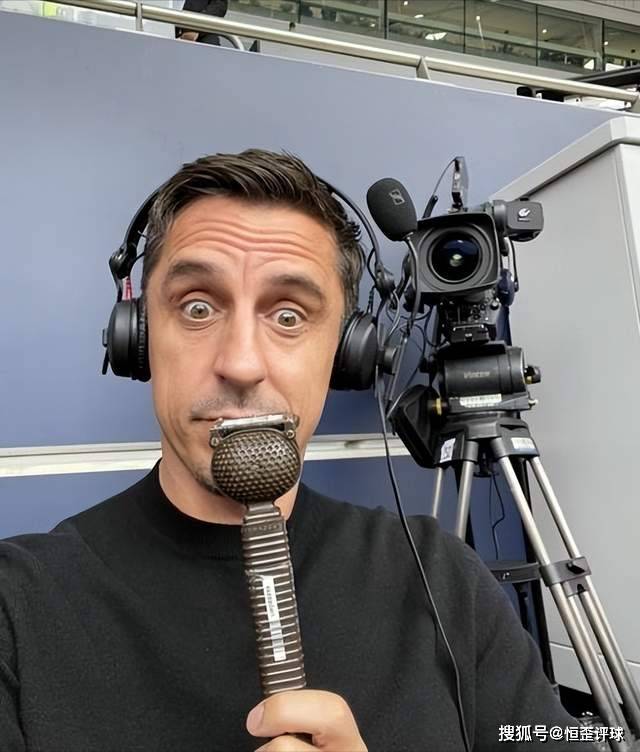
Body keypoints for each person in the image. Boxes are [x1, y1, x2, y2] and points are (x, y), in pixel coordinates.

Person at [0, 149, 597, 751]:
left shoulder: (444, 576)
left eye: (289, 316)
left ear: (346, 354)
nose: (241, 364)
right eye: (197, 307)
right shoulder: (15, 604)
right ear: (138, 336)